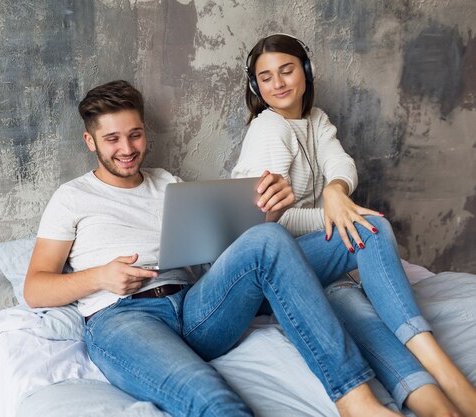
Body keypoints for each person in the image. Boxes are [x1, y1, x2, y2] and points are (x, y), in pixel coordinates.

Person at [23, 79, 404, 417]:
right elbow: (36, 288)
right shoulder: (72, 197)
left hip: (196, 308)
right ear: (90, 141)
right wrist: (100, 277)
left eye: (135, 134)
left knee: (273, 238)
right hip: (125, 319)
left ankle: (356, 399)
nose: (127, 148)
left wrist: (271, 214)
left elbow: (227, 254)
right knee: (217, 404)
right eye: (112, 139)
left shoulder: (167, 182)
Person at [233, 33, 476, 417]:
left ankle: (435, 406)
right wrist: (336, 213)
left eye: (287, 70)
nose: (277, 84)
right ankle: (440, 365)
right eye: (265, 77)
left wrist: (335, 191)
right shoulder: (269, 129)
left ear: (306, 72)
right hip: (273, 271)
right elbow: (269, 222)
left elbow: (342, 165)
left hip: (319, 262)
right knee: (369, 227)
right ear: (255, 86)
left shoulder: (314, 120)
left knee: (358, 315)